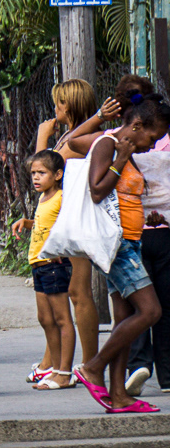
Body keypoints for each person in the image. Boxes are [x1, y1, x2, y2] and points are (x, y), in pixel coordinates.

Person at [73, 95, 170, 413]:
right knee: (151, 312)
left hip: (132, 240)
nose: (151, 145)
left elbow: (124, 197)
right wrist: (120, 158)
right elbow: (97, 190)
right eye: (152, 137)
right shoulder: (108, 145)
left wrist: (148, 215)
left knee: (126, 319)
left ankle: (118, 395)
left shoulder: (128, 153)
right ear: (138, 125)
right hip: (118, 247)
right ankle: (93, 367)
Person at [27, 79, 100, 382]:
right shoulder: (70, 137)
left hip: (76, 225)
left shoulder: (78, 140)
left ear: (67, 106)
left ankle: (90, 363)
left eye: (58, 103)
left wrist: (43, 137)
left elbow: (45, 169)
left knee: (78, 293)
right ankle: (51, 360)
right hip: (62, 224)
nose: (54, 109)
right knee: (56, 301)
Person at [12, 151, 76, 389]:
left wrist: (64, 249)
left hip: (54, 265)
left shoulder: (61, 197)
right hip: (38, 264)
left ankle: (64, 373)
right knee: (45, 319)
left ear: (58, 175)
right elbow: (43, 225)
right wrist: (26, 223)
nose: (36, 178)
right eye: (33, 174)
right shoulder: (43, 198)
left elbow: (71, 226)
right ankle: (54, 369)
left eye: (42, 173)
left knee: (62, 319)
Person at [125, 144, 170, 396]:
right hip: (139, 236)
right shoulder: (115, 143)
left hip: (143, 236)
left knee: (143, 306)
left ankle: (141, 368)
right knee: (151, 307)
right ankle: (155, 371)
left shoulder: (118, 143)